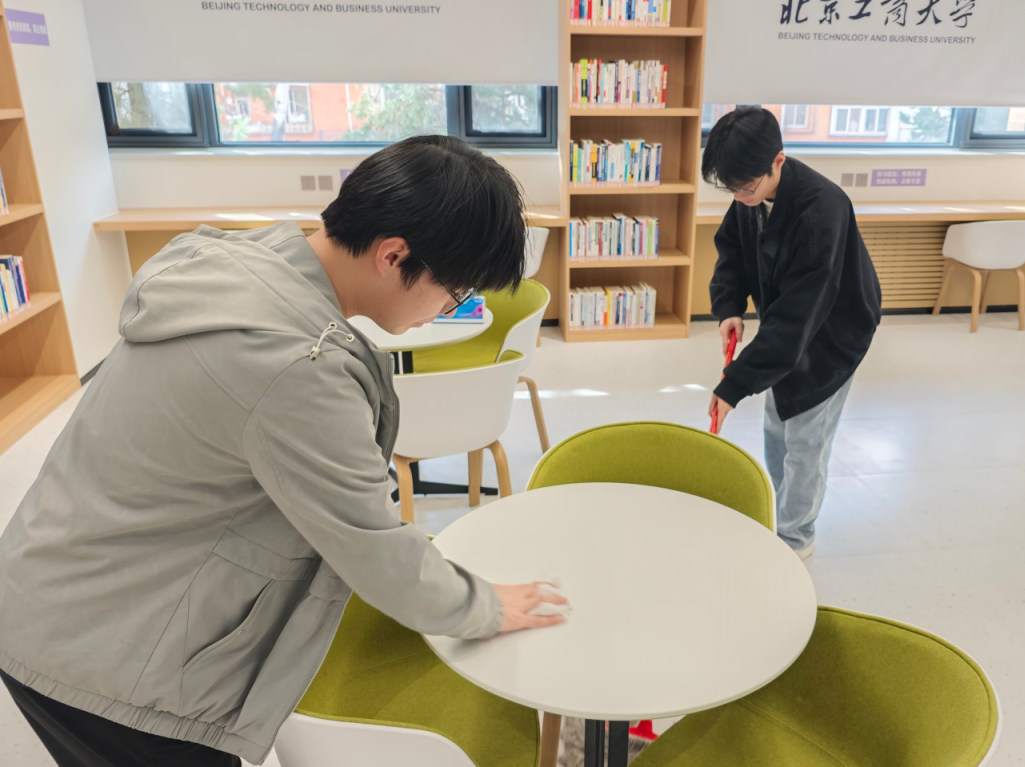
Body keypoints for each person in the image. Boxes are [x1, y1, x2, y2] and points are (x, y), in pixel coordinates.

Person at [0, 135, 567, 767]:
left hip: (52, 583)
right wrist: (486, 606)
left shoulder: (236, 260)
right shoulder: (297, 366)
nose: (448, 309)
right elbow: (375, 551)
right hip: (101, 659)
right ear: (393, 254)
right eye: (454, 291)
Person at [702, 107, 881, 559]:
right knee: (777, 430)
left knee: (805, 441)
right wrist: (728, 306)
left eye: (745, 188)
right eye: (731, 188)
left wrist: (734, 384)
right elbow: (731, 251)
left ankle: (796, 540)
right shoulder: (750, 191)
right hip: (789, 328)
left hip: (832, 335)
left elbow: (800, 315)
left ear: (777, 161)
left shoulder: (823, 210)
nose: (738, 197)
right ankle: (783, 518)